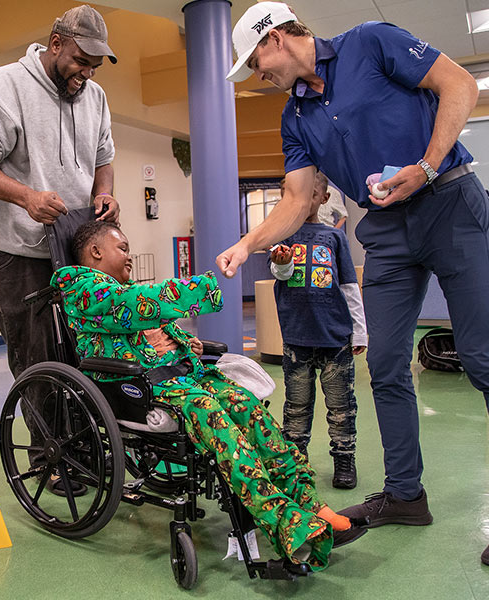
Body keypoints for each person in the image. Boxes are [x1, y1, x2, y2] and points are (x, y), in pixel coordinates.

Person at [218, 1, 489, 562]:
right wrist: (247, 243)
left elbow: (459, 84)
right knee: (386, 363)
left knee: (483, 358)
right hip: (386, 230)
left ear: (277, 39)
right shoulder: (294, 119)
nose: (258, 75)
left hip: (450, 202)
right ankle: (405, 495)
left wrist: (428, 165)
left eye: (256, 61)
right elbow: (296, 200)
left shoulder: (370, 41)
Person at [52, 220, 367, 571]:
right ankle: (287, 523)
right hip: (143, 388)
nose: (129, 257)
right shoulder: (80, 287)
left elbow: (155, 326)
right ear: (95, 251)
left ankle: (309, 501)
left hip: (186, 375)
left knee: (250, 409)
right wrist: (204, 288)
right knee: (220, 426)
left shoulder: (121, 289)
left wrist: (187, 343)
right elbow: (135, 305)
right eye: (123, 248)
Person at [0, 5, 119, 493]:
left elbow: (104, 158)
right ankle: (52, 456)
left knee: (83, 346)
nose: (86, 73)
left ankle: (85, 442)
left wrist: (102, 194)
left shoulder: (94, 96)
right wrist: (25, 196)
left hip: (72, 242)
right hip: (17, 248)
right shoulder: (3, 87)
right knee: (37, 355)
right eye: (79, 60)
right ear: (54, 44)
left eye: (95, 65)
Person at [270, 170, 367, 489]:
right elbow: (280, 274)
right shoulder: (282, 234)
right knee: (296, 407)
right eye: (291, 193)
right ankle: (296, 465)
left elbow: (349, 285)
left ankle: (344, 458)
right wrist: (283, 261)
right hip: (297, 338)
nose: (299, 199)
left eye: (310, 193)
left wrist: (359, 330)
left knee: (341, 405)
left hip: (335, 339)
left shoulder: (334, 237)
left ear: (323, 199)